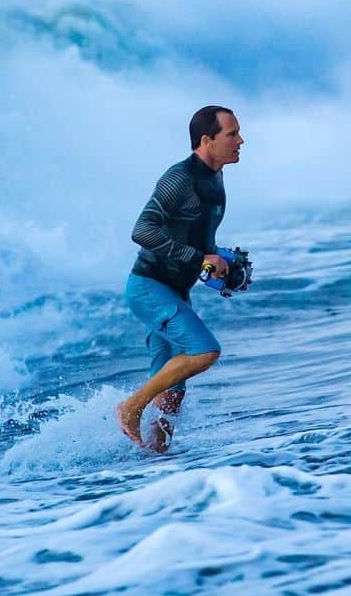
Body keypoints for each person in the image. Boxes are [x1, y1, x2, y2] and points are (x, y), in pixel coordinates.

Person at [114, 105, 244, 451]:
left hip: (175, 292)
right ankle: (131, 407)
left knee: (172, 399)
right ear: (207, 139)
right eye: (232, 134)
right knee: (205, 351)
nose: (240, 141)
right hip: (149, 287)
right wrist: (199, 258)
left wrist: (221, 266)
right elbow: (142, 231)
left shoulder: (215, 177)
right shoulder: (179, 179)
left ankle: (152, 463)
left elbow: (197, 237)